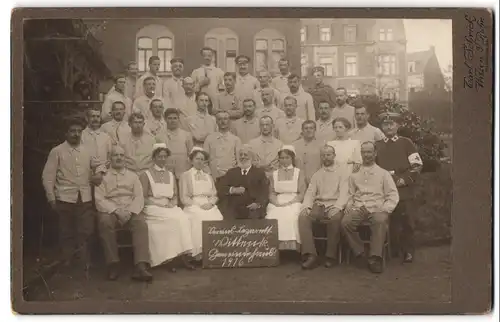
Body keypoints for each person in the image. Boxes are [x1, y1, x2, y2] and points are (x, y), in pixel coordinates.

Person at [42, 117, 105, 268]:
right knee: (66, 230)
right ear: (66, 133)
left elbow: (100, 164)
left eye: (78, 131)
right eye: (72, 131)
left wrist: (99, 173)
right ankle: (68, 260)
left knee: (86, 229)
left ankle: (84, 260)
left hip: (84, 197)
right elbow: (47, 176)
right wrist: (51, 198)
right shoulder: (57, 152)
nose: (76, 134)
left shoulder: (87, 150)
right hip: (64, 197)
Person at [95, 145, 152, 281]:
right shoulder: (103, 177)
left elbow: (139, 197)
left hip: (129, 209)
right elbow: (99, 198)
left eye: (121, 155)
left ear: (125, 158)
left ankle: (141, 265)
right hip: (110, 210)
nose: (119, 158)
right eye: (116, 155)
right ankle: (113, 264)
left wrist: (130, 211)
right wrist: (115, 210)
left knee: (141, 223)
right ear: (110, 158)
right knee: (104, 222)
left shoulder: (133, 176)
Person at [341, 141, 400, 273]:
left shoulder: (384, 174)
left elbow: (393, 195)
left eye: (369, 152)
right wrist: (350, 205)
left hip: (378, 207)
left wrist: (385, 209)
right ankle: (361, 252)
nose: (366, 155)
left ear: (375, 153)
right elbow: (350, 194)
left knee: (379, 221)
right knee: (346, 222)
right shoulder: (354, 174)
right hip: (360, 207)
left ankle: (375, 258)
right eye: (364, 152)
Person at [375, 111, 423, 263]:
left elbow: (417, 165)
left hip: (403, 189)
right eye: (385, 124)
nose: (388, 127)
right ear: (382, 127)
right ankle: (392, 250)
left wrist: (405, 179)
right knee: (389, 220)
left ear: (397, 125)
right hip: (384, 190)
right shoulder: (378, 145)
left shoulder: (406, 143)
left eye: (391, 124)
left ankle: (408, 251)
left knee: (407, 221)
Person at [139, 143, 196, 270]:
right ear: (154, 158)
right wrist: (156, 203)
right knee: (172, 221)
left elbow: (175, 195)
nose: (162, 159)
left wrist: (172, 204)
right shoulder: (146, 175)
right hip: (152, 207)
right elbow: (142, 197)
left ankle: (183, 256)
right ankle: (169, 258)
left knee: (183, 218)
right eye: (159, 157)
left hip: (168, 206)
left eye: (165, 157)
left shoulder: (170, 174)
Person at [298, 144, 350, 269]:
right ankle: (311, 255)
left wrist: (337, 207)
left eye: (328, 155)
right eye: (323, 155)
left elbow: (345, 192)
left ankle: (330, 256)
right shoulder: (317, 174)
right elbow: (310, 192)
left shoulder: (343, 172)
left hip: (335, 205)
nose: (326, 158)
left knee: (335, 219)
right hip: (319, 205)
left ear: (334, 156)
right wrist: (306, 206)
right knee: (303, 217)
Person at [179, 147, 224, 260]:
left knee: (217, 216)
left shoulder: (208, 176)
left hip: (208, 203)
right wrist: (198, 205)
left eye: (202, 159)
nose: (200, 161)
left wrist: (211, 203)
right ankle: (198, 253)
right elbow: (184, 197)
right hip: (192, 205)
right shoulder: (186, 175)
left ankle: (214, 251)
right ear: (191, 160)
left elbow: (214, 194)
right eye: (197, 159)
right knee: (199, 217)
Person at [266, 145, 306, 251]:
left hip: (294, 200)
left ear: (292, 158)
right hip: (278, 201)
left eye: (287, 157)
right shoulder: (274, 174)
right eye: (282, 158)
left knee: (292, 216)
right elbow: (272, 193)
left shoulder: (299, 173)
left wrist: (291, 202)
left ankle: (293, 247)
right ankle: (274, 249)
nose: (284, 160)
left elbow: (302, 193)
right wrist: (276, 203)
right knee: (273, 215)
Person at [216, 145, 269, 219]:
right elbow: (221, 188)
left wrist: (257, 204)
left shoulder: (259, 173)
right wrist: (232, 190)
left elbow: (264, 192)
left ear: (251, 157)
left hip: (253, 208)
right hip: (234, 208)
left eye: (245, 154)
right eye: (241, 155)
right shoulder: (231, 172)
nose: (242, 157)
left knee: (255, 217)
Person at [203, 111, 242, 180]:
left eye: (225, 119)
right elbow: (204, 160)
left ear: (229, 121)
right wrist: (209, 174)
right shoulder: (209, 139)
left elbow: (239, 161)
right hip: (213, 176)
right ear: (216, 121)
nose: (223, 121)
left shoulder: (236, 140)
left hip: (231, 176)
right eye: (220, 119)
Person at [157, 108, 194, 180]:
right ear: (165, 119)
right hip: (166, 171)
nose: (172, 121)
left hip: (183, 171)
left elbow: (191, 154)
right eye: (169, 118)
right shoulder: (159, 136)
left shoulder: (187, 135)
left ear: (178, 119)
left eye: (175, 118)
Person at [81, 106, 113, 171]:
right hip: (85, 171)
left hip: (103, 172)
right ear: (87, 118)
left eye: (98, 116)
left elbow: (109, 156)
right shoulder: (81, 135)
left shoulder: (106, 137)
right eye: (93, 116)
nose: (95, 119)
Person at [293, 120, 322, 186]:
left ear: (315, 130)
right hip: (298, 181)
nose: (308, 130)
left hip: (316, 180)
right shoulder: (294, 145)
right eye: (306, 128)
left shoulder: (321, 145)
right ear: (302, 130)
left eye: (311, 128)